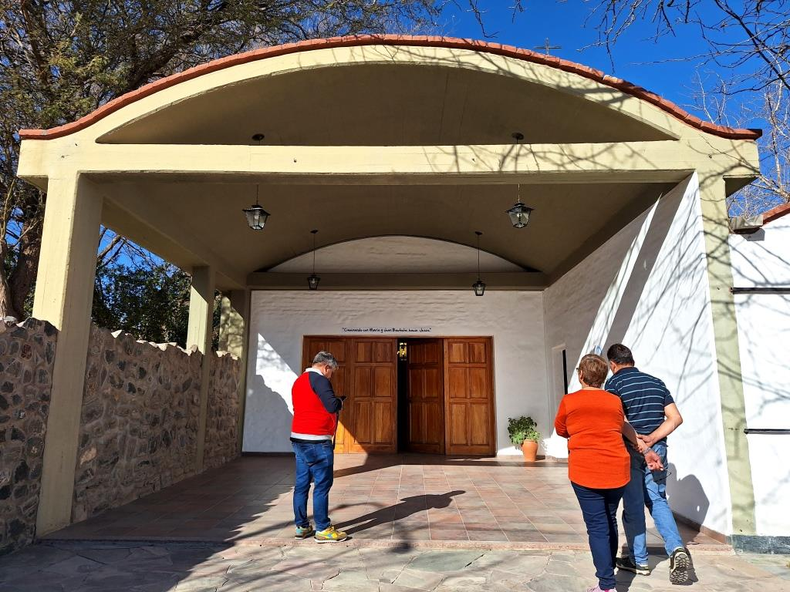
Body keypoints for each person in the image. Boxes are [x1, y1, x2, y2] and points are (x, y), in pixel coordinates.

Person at [555, 354, 656, 592]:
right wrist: (644, 448)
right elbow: (621, 425)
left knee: (597, 526)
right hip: (616, 468)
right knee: (609, 519)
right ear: (603, 377)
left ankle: (606, 585)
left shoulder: (570, 401)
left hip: (586, 469)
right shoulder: (614, 401)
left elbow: (561, 429)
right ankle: (608, 571)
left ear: (581, 375)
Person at [605, 343, 691, 584]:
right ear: (632, 359)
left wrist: (641, 444)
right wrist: (653, 439)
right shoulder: (656, 382)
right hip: (659, 449)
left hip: (632, 450)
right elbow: (675, 418)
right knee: (657, 500)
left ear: (613, 365)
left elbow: (619, 421)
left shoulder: (614, 385)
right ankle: (676, 549)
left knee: (632, 504)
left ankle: (639, 560)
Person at [290, 351, 348, 543]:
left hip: (299, 439)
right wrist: (340, 402)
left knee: (301, 485)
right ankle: (323, 528)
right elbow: (331, 406)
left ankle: (301, 526)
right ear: (326, 367)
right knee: (322, 485)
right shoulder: (320, 380)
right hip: (317, 440)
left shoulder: (299, 380)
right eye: (332, 371)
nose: (331, 375)